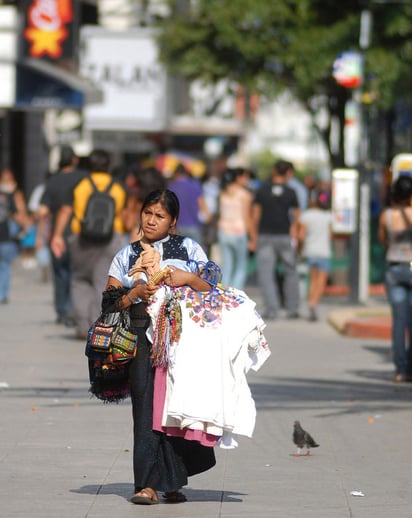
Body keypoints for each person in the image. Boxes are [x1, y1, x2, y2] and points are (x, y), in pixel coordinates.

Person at [97, 189, 269, 505]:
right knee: (146, 411)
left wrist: (186, 277)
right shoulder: (127, 255)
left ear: (173, 222)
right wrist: (136, 292)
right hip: (140, 342)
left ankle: (173, 479)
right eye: (147, 213)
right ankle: (146, 485)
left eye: (159, 216)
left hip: (183, 343)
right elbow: (109, 301)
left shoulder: (190, 249)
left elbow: (211, 286)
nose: (151, 220)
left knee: (175, 410)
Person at [50, 149, 127, 339]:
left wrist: (57, 235)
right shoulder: (118, 187)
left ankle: (83, 326)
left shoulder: (80, 185)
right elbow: (125, 213)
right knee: (103, 281)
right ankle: (98, 324)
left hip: (81, 237)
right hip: (111, 237)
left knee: (80, 280)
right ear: (108, 165)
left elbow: (66, 210)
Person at [37, 147, 87, 325]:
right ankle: (74, 310)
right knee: (77, 275)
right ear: (74, 159)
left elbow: (42, 210)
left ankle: (61, 311)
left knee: (59, 274)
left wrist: (41, 234)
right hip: (81, 233)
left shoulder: (52, 181)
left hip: (57, 235)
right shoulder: (84, 178)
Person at [250, 159, 301, 320]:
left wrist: (253, 236)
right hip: (285, 235)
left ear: (273, 171)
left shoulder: (262, 190)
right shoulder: (291, 192)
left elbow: (256, 214)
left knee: (266, 273)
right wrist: (295, 230)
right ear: (288, 173)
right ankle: (293, 308)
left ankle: (272, 309)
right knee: (291, 271)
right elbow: (297, 214)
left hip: (265, 235)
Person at [378, 175, 412, 382]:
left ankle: (400, 369)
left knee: (399, 321)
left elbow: (382, 241)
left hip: (394, 268)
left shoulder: (386, 216)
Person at [299, 188, 332, 321]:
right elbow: (331, 234)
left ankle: (311, 303)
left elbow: (301, 235)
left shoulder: (306, 216)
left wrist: (300, 248)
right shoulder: (328, 216)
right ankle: (314, 303)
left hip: (310, 251)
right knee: (321, 281)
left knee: (312, 281)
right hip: (324, 252)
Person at [217, 167, 253, 290]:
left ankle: (223, 293)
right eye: (245, 177)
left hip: (223, 230)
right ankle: (235, 293)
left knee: (227, 266)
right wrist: (253, 236)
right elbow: (247, 216)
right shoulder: (245, 194)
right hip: (239, 231)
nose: (247, 180)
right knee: (240, 267)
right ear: (239, 178)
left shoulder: (223, 192)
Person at [167, 163, 210, 249]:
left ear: (176, 174)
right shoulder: (195, 185)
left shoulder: (171, 186)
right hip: (194, 224)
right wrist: (207, 216)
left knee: (179, 256)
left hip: (177, 225)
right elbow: (201, 203)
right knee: (197, 255)